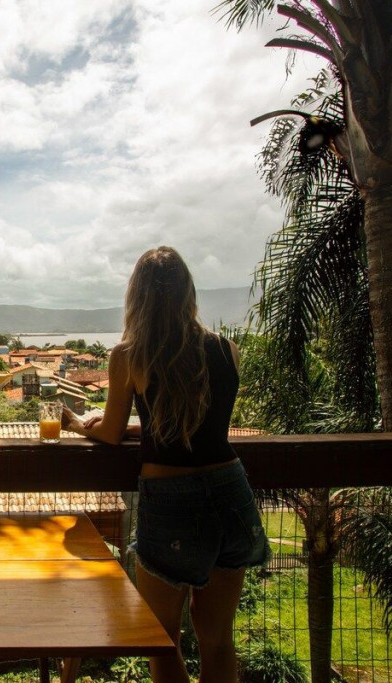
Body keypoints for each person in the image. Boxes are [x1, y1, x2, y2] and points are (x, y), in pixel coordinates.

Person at [62, 246, 269, 683]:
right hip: (230, 493)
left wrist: (79, 425)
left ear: (137, 297)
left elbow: (110, 433)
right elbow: (197, 429)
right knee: (218, 639)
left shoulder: (130, 355)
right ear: (188, 292)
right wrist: (139, 429)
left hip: (172, 504)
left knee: (161, 638)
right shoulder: (226, 349)